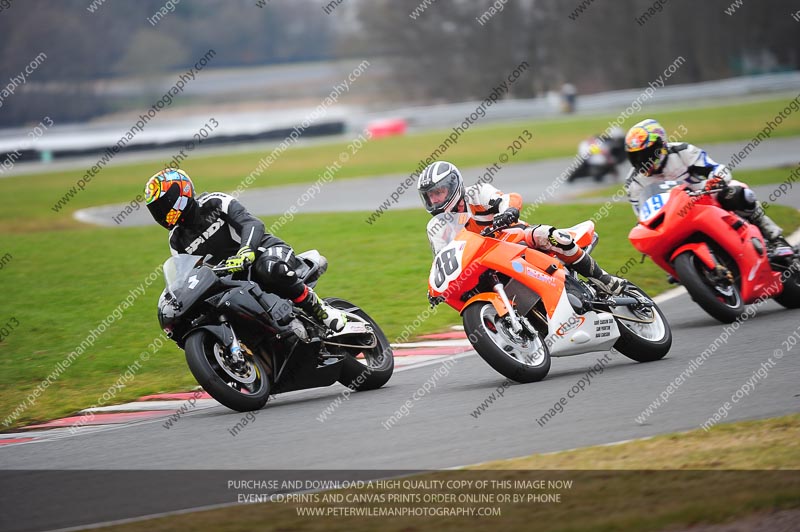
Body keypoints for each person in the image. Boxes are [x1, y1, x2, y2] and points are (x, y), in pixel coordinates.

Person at [144, 168, 347, 332]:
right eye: (157, 210)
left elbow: (252, 224)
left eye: (164, 206)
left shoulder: (214, 203)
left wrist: (245, 251)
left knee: (269, 269)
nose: (162, 214)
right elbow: (186, 275)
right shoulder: (176, 240)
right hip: (233, 277)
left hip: (265, 251)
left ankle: (321, 310)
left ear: (182, 195)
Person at [417, 161, 625, 294]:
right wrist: (436, 287)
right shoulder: (436, 226)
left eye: (439, 192)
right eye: (430, 195)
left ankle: (603, 278)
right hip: (483, 263)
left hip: (513, 238)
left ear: (453, 186)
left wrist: (507, 212)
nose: (435, 199)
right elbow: (442, 259)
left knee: (550, 236)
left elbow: (510, 198)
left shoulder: (477, 193)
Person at [624, 119, 786, 246]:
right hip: (670, 220)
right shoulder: (633, 182)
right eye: (636, 156)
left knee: (737, 192)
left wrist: (716, 180)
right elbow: (641, 217)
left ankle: (774, 237)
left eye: (646, 154)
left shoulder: (682, 151)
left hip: (704, 201)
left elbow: (717, 169)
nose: (642, 161)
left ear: (662, 145)